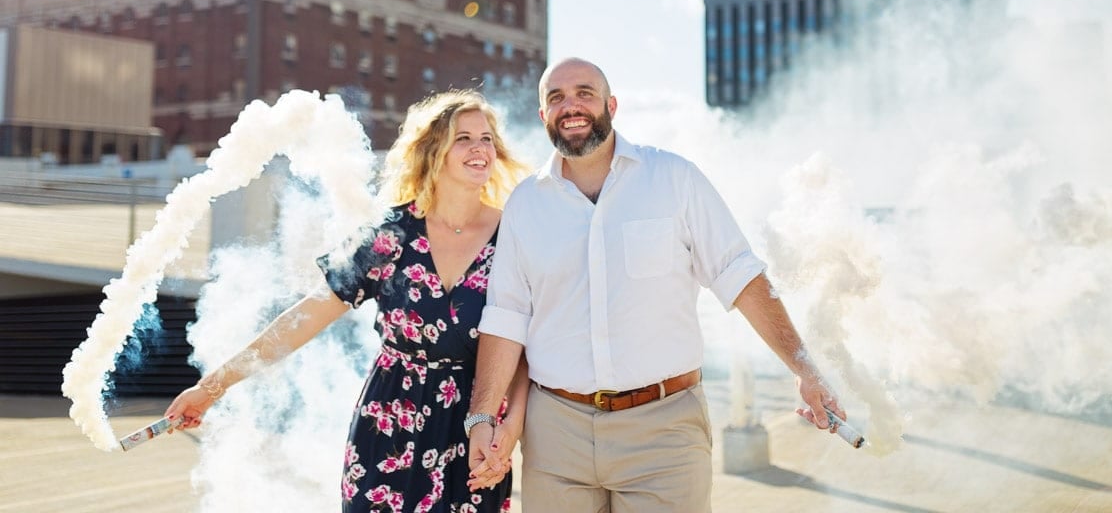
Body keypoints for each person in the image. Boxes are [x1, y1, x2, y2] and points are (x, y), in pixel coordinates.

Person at [464, 58, 846, 512]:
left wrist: (805, 368)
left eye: (584, 93)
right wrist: (483, 416)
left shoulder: (674, 179)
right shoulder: (525, 204)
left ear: (611, 105)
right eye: (556, 98)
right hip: (555, 435)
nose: (571, 106)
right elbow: (507, 318)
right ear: (543, 116)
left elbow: (741, 276)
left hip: (664, 433)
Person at [166, 89, 529, 512]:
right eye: (462, 137)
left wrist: (510, 429)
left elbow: (523, 350)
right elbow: (305, 317)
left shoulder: (515, 236)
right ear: (435, 150)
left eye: (486, 138)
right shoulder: (388, 233)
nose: (479, 148)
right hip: (389, 423)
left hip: (473, 429)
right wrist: (211, 388)